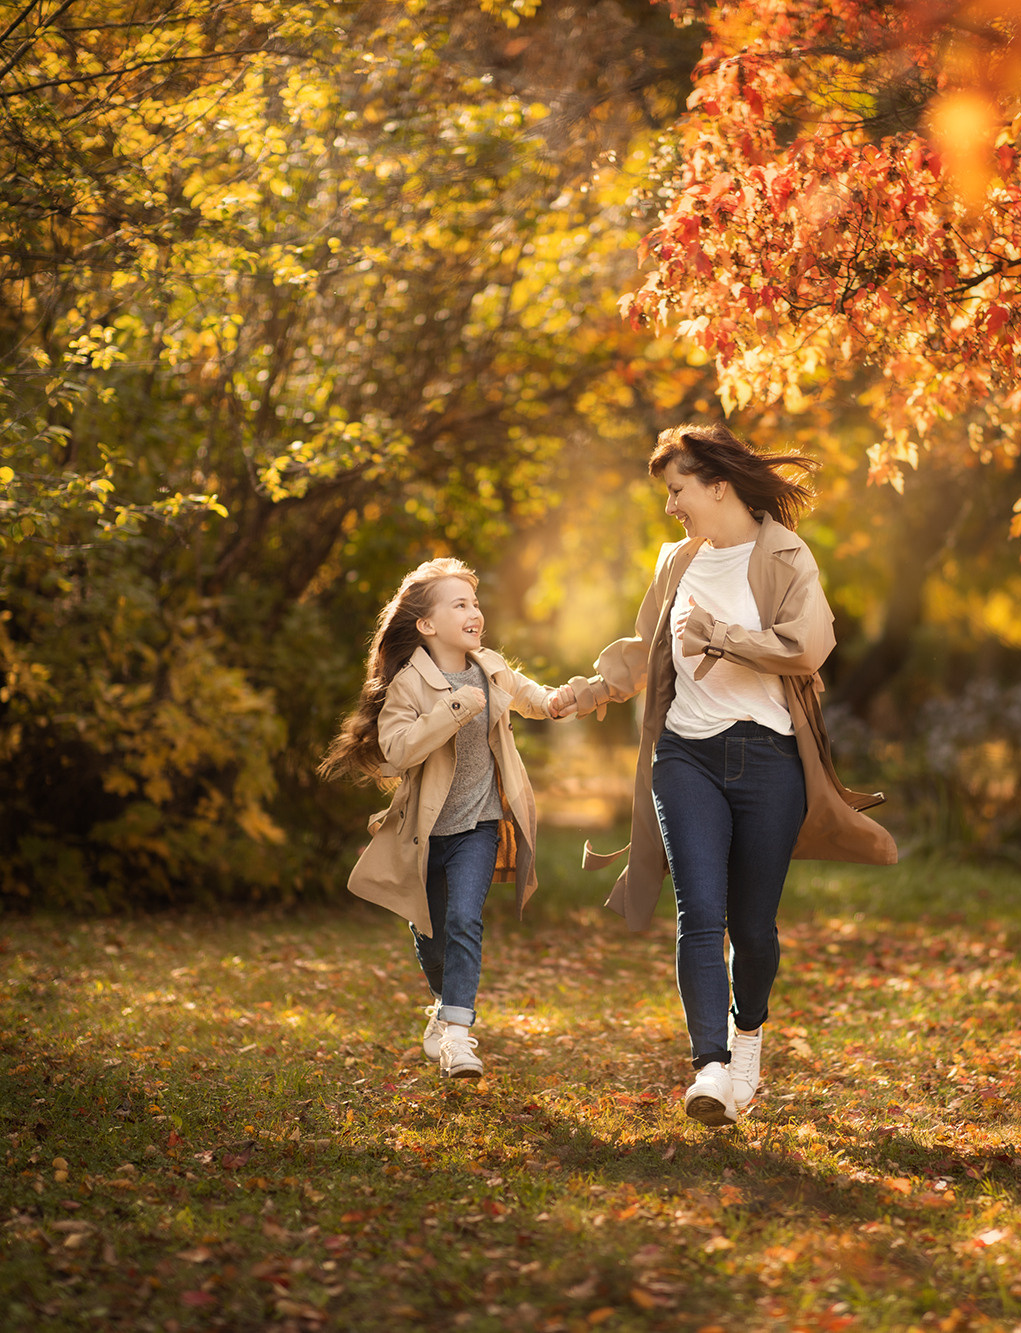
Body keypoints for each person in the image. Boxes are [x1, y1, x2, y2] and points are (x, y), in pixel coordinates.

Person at [554, 423, 897, 1126]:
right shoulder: (676, 561)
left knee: (754, 928)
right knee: (700, 913)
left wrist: (721, 637)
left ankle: (748, 1036)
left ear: (718, 485)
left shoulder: (785, 554)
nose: (671, 506)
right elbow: (648, 648)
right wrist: (592, 689)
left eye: (677, 489)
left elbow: (808, 645)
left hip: (770, 759)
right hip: (686, 755)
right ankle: (709, 1067)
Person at [320, 557, 563, 1078]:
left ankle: (457, 1036)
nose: (474, 612)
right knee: (430, 932)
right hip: (426, 832)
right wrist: (454, 709)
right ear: (427, 624)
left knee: (464, 919)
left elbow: (535, 698)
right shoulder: (409, 683)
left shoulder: (490, 667)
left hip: (480, 824)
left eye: (475, 603)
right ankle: (441, 1001)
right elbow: (397, 750)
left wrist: (568, 698)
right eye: (460, 605)